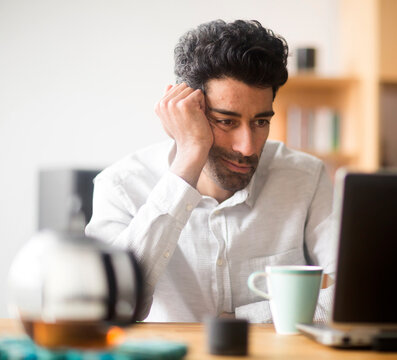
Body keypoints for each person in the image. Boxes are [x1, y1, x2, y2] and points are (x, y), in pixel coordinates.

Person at [86, 19, 336, 322]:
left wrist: (243, 319)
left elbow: (352, 293)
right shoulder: (122, 186)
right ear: (187, 111)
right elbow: (113, 307)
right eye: (226, 121)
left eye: (260, 122)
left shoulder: (305, 178)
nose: (247, 147)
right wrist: (189, 157)